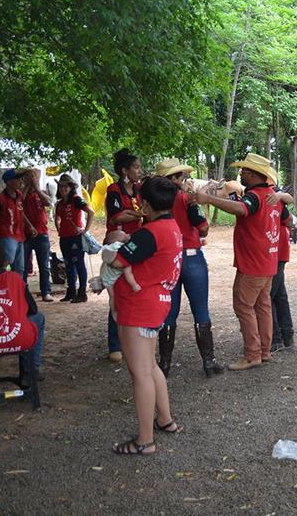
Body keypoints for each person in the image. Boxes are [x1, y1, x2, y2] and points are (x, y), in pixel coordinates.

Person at [192, 153, 289, 371]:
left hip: (253, 264)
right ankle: (264, 351)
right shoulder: (273, 196)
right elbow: (288, 221)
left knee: (244, 306)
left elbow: (240, 209)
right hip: (269, 262)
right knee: (262, 306)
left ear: (254, 175)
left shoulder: (254, 196)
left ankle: (252, 355)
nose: (240, 174)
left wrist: (209, 199)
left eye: (244, 171)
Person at [110, 176, 182, 455]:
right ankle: (165, 420)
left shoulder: (149, 233)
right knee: (150, 367)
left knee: (140, 374)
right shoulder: (172, 226)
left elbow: (117, 261)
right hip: (157, 303)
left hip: (139, 307)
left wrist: (116, 242)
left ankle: (145, 441)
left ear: (146, 205)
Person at [155, 158, 224, 378]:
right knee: (200, 309)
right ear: (174, 179)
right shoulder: (187, 198)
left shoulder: (153, 202)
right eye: (181, 176)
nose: (184, 180)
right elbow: (203, 228)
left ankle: (164, 364)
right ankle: (209, 362)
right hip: (191, 257)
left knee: (169, 312)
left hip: (167, 258)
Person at [0, 243, 45, 387]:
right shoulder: (16, 278)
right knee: (39, 318)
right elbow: (33, 309)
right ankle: (31, 371)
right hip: (21, 339)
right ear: (6, 262)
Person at [104, 149, 144, 363]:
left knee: (135, 291)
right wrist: (138, 214)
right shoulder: (113, 190)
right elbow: (117, 216)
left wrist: (134, 214)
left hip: (137, 244)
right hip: (118, 246)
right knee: (117, 293)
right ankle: (115, 344)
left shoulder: (139, 189)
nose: (140, 171)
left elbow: (140, 211)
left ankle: (133, 338)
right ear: (124, 171)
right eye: (136, 167)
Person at [54, 174, 94, 304]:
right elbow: (57, 218)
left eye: (66, 186)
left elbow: (91, 212)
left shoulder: (76, 200)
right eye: (61, 186)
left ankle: (82, 292)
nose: (63, 189)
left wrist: (85, 230)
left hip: (75, 238)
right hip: (64, 238)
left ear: (71, 187)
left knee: (78, 264)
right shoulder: (59, 203)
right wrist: (59, 229)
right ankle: (71, 292)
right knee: (68, 264)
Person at [0, 169, 30, 277]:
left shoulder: (19, 195)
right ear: (9, 182)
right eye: (17, 179)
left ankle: (17, 286)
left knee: (20, 267)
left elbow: (20, 212)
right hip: (7, 235)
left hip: (20, 235)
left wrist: (30, 226)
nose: (20, 181)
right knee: (6, 262)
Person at [270, 171, 295, 353]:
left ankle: (275, 338)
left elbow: (289, 220)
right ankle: (287, 335)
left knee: (269, 296)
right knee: (279, 294)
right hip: (280, 251)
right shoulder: (277, 196)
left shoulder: (271, 196)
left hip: (274, 252)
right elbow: (289, 220)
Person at [89, 230, 138, 320]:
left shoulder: (108, 248)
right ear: (116, 241)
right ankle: (133, 285)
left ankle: (114, 312)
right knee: (127, 268)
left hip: (107, 277)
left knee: (112, 297)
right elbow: (133, 248)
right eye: (123, 235)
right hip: (112, 276)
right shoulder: (116, 246)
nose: (127, 234)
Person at [22, 170, 54, 302]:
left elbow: (48, 202)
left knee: (44, 265)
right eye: (29, 177)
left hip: (42, 233)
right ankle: (23, 292)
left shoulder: (41, 192)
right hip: (25, 233)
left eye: (34, 176)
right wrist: (28, 186)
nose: (32, 178)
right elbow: (19, 203)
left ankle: (46, 291)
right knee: (23, 265)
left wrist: (36, 187)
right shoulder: (20, 193)